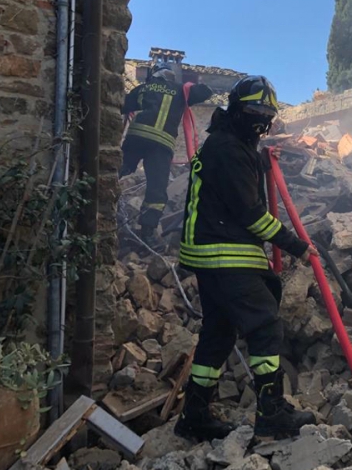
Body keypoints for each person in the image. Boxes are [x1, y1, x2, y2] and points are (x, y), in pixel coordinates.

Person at [175, 75, 319, 442]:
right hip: (224, 252)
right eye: (255, 111)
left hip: (213, 253)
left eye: (267, 113)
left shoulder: (232, 146)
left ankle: (194, 415)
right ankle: (270, 412)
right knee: (265, 325)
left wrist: (263, 164)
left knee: (219, 334)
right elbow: (251, 214)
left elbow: (241, 188)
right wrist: (297, 245)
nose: (261, 120)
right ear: (237, 110)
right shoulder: (227, 150)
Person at [120, 63, 213, 250]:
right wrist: (191, 85)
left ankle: (96, 199)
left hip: (136, 139)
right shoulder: (180, 91)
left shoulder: (143, 88)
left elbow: (123, 105)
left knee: (120, 169)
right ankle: (147, 233)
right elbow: (206, 92)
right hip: (161, 146)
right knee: (156, 189)